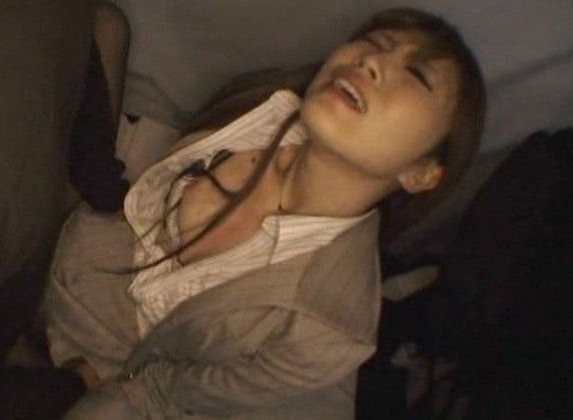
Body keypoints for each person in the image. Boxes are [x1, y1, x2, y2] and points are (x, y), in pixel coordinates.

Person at [45, 7, 486, 419]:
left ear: (421, 173)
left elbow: (160, 394)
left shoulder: (324, 327)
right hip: (57, 244)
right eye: (375, 42)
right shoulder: (262, 107)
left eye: (415, 75)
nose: (370, 61)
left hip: (92, 372)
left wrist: (79, 385)